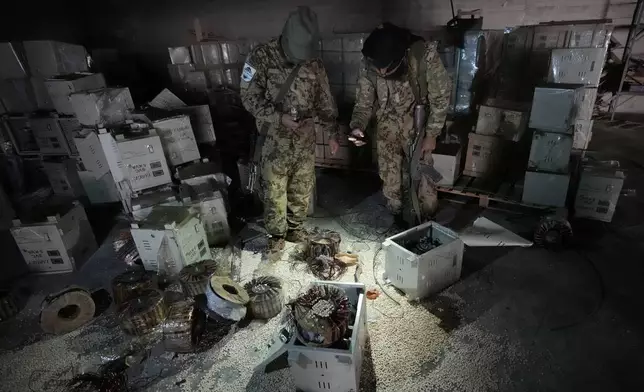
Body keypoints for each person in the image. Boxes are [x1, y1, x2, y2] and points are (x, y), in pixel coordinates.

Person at [240, 6, 339, 258]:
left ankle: (296, 229)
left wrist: (332, 131)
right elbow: (248, 98)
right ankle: (276, 235)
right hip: (273, 141)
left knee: (302, 187)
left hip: (304, 139)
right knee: (274, 191)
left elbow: (324, 101)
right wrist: (278, 117)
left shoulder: (314, 63)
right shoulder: (260, 57)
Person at [349, 23, 451, 227]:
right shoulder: (370, 62)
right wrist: (358, 125)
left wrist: (432, 134)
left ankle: (428, 221)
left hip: (417, 125)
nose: (382, 71)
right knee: (390, 177)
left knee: (422, 177)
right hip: (386, 127)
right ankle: (398, 219)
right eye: (378, 68)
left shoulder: (423, 55)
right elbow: (364, 102)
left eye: (386, 67)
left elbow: (441, 97)